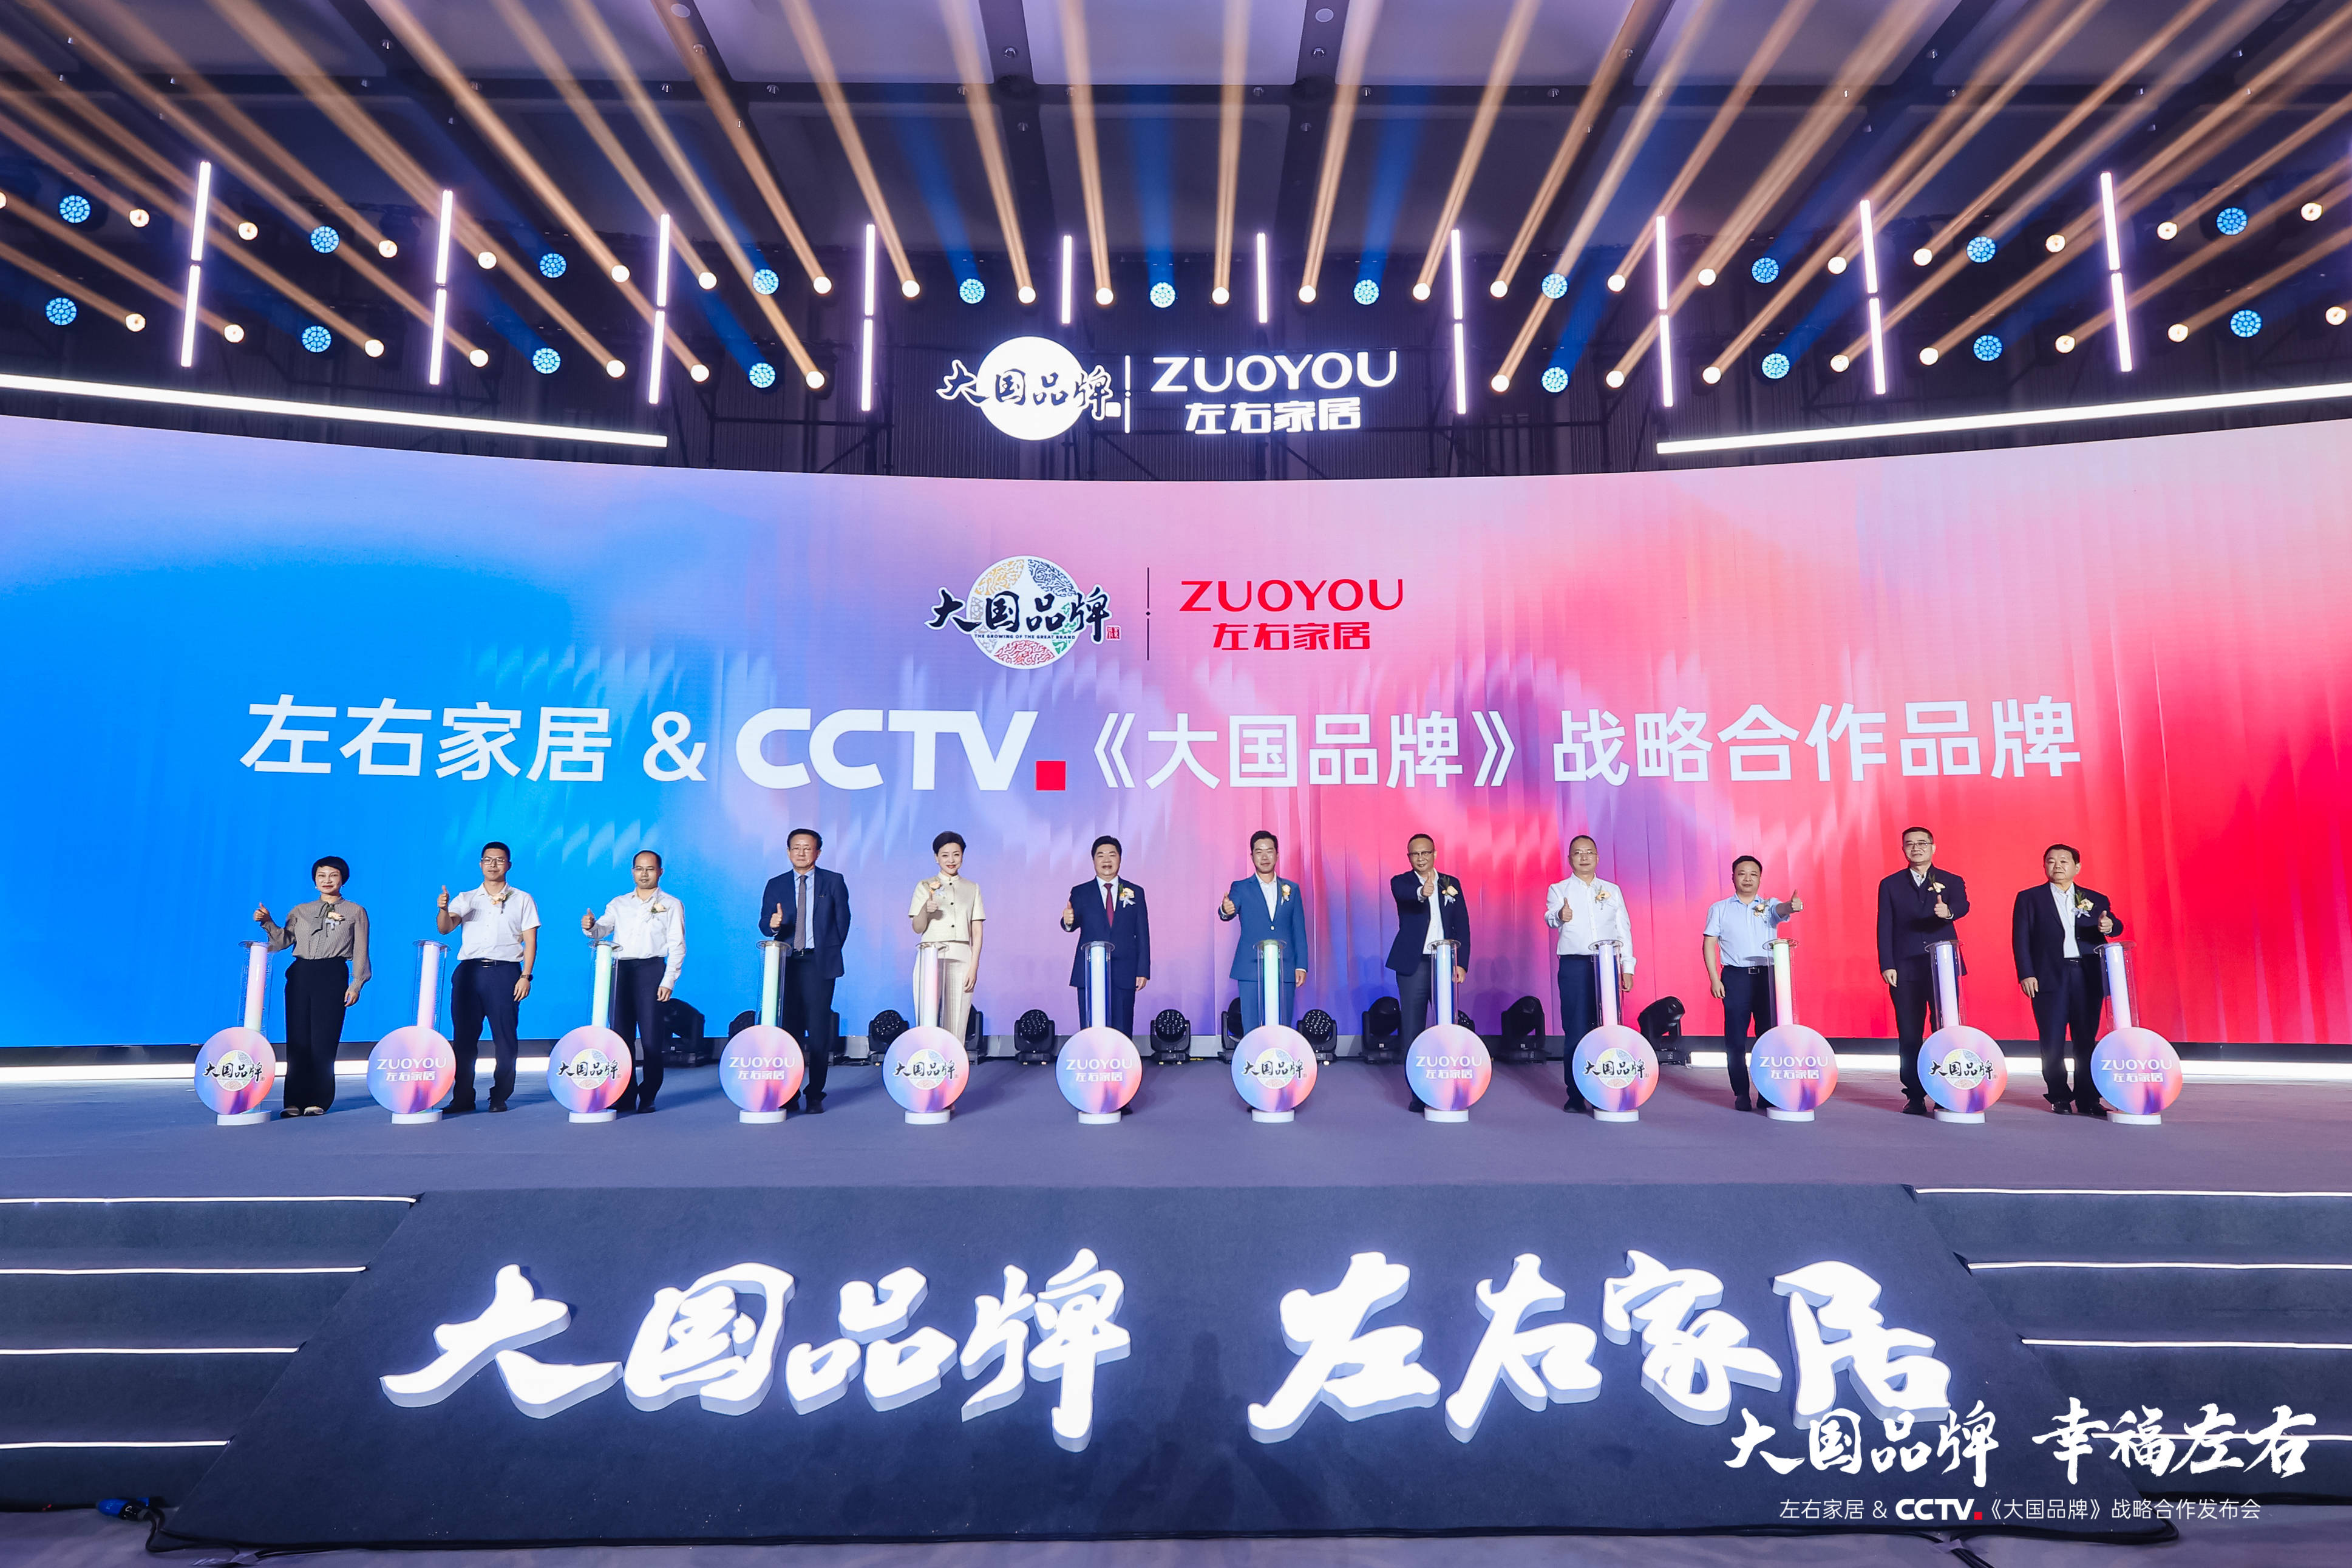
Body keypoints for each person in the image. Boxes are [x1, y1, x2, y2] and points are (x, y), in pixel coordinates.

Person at [2011, 844, 2122, 1116]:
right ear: (2044, 866)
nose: (2057, 865)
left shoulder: (2095, 899)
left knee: (2086, 1039)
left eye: (2064, 861)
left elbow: (2115, 926)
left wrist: (2110, 926)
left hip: (2087, 975)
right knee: (2052, 1040)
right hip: (2049, 975)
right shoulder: (2030, 898)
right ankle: (2059, 1095)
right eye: (2051, 861)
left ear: (2077, 867)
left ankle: (2088, 1098)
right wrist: (2026, 973)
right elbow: (2021, 939)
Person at [254, 856, 369, 1117]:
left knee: (324, 1040)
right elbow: (282, 942)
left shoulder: (356, 911)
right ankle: (294, 1100)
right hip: (301, 974)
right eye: (321, 876)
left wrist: (356, 983)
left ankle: (319, 1099)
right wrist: (268, 922)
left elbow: (361, 949)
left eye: (333, 875)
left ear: (343, 879)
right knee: (297, 1040)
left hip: (332, 973)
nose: (327, 880)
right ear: (315, 881)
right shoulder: (300, 910)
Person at [437, 842, 539, 1114]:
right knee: (464, 1039)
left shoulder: (522, 898)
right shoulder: (466, 897)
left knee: (505, 1038)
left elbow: (531, 941)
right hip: (469, 973)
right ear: (481, 864)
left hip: (505, 973)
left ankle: (499, 1096)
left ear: (509, 865)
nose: (494, 865)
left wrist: (526, 976)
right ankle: (462, 1097)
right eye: (488, 860)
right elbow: (445, 928)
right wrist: (443, 909)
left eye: (500, 860)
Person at [1876, 825, 1970, 1118]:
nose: (1916, 848)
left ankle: (1946, 1090)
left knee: (1945, 1029)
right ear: (1903, 849)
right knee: (1909, 1032)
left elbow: (1963, 905)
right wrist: (1887, 964)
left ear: (1933, 847)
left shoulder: (1951, 880)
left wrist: (1949, 912)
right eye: (1910, 844)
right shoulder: (1890, 884)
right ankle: (1914, 1094)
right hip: (1905, 966)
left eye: (1922, 843)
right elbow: (1884, 925)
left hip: (1943, 963)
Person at [757, 829, 851, 1113]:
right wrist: (773, 924)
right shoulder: (775, 884)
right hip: (786, 964)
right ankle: (789, 1092)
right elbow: (764, 924)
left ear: (818, 853)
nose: (801, 852)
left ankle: (815, 1094)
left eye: (807, 848)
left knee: (819, 1030)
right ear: (788, 852)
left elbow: (843, 921)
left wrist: (828, 949)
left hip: (817, 963)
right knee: (789, 1030)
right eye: (796, 848)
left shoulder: (833, 881)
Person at [582, 850, 684, 1114]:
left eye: (650, 869)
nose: (644, 874)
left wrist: (669, 979)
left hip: (651, 970)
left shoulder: (672, 904)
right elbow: (602, 930)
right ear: (632, 872)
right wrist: (591, 926)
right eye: (639, 869)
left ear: (660, 872)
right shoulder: (619, 903)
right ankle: (624, 1094)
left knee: (651, 1038)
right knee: (620, 1036)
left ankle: (648, 1094)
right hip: (621, 971)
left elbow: (677, 945)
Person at [1702, 857, 1803, 1112]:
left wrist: (1791, 906)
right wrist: (1714, 978)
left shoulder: (1769, 905)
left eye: (1753, 874)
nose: (1747, 878)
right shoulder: (1720, 909)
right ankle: (1741, 1093)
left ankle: (1767, 1092)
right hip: (1735, 977)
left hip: (1767, 977)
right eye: (1742, 873)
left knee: (1768, 1038)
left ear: (1760, 878)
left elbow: (1783, 910)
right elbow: (1709, 943)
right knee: (1735, 1039)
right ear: (1733, 877)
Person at [1543, 835, 1635, 1113]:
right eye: (1577, 853)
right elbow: (1550, 917)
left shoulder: (1612, 890)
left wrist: (1627, 967)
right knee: (1576, 1029)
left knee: (1608, 1029)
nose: (1584, 857)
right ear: (1570, 859)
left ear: (1597, 857)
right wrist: (1560, 916)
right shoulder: (1559, 889)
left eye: (1589, 852)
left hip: (1607, 965)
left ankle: (1605, 1090)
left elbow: (1623, 930)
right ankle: (1575, 1094)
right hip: (1574, 966)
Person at [1219, 830, 1309, 1030]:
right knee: (1251, 1026)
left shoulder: (1291, 889)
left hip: (1284, 967)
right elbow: (1227, 912)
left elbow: (1299, 930)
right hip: (1250, 967)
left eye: (1269, 851)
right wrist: (1225, 910)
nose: (1265, 857)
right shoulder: (1241, 887)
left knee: (1282, 1025)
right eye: (1259, 852)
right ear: (1252, 856)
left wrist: (1301, 965)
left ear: (1277, 854)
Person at [1388, 833, 1470, 1050]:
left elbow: (1462, 925)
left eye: (1425, 853)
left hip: (1444, 962)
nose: (1420, 858)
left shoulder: (1451, 883)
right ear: (1409, 857)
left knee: (1447, 1019)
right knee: (1412, 1023)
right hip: (1414, 963)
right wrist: (1422, 892)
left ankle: (1447, 1064)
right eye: (1415, 854)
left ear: (1435, 854)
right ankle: (1413, 1067)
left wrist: (1461, 963)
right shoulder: (1401, 882)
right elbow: (1405, 894)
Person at [1061, 835, 1149, 1035]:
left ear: (1120, 859)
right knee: (1091, 1028)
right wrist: (1068, 921)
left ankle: (1121, 1057)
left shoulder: (1135, 892)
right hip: (1090, 971)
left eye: (1112, 855)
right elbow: (1072, 923)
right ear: (1093, 860)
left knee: (1122, 1029)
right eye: (1100, 855)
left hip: (1125, 971)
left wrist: (1143, 970)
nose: (1106, 860)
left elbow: (1143, 934)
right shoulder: (1081, 892)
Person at [910, 831, 984, 1044]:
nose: (951, 860)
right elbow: (917, 927)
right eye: (945, 855)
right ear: (936, 857)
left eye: (956, 855)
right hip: (930, 956)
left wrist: (974, 966)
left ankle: (954, 1061)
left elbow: (977, 931)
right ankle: (927, 1057)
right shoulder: (924, 886)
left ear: (962, 856)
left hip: (962, 955)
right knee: (927, 1015)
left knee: (958, 1018)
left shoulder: (972, 888)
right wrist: (925, 909)